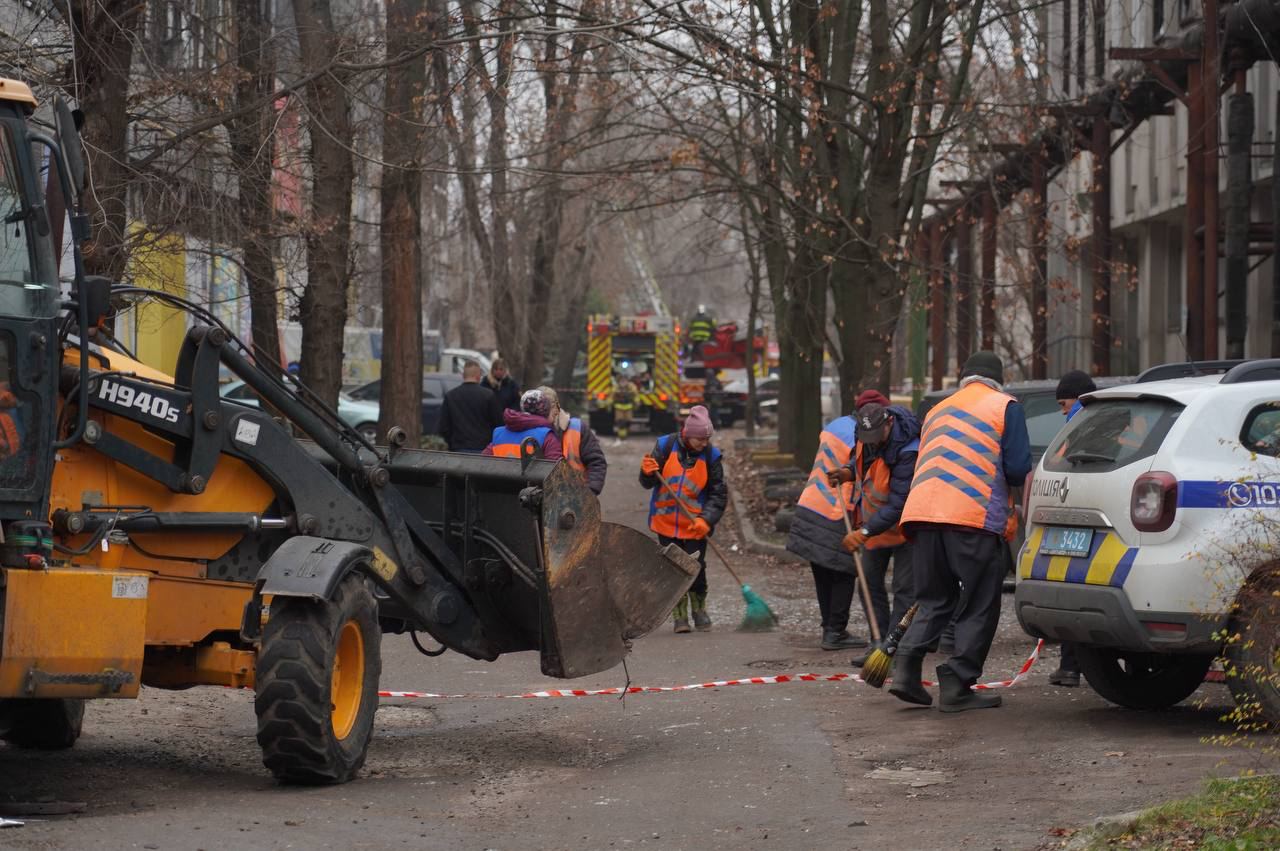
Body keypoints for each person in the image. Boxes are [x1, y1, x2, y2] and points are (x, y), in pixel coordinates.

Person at [888, 351, 1032, 712]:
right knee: (980, 602)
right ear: (998, 380)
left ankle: (905, 669)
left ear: (964, 378)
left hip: (922, 515)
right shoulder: (1004, 406)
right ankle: (957, 683)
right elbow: (1016, 468)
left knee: (935, 598)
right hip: (972, 518)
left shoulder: (938, 409)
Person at [829, 400, 921, 665]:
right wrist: (847, 473)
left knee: (904, 589)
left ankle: (893, 651)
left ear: (888, 423)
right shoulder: (866, 434)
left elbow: (898, 504)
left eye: (874, 437)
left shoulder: (908, 450)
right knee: (868, 583)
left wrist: (865, 531)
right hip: (875, 526)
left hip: (905, 528)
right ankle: (877, 643)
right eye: (864, 437)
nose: (870, 442)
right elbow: (861, 462)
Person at [786, 405, 869, 651]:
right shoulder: (860, 436)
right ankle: (835, 632)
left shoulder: (836, 425)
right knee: (844, 571)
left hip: (812, 501)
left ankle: (829, 627)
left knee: (823, 571)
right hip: (836, 508)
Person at [639, 405, 727, 634]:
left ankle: (699, 610)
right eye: (700, 439)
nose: (704, 443)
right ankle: (679, 616)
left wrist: (706, 520)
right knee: (673, 569)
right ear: (688, 434)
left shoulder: (711, 457)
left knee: (697, 568)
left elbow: (718, 494)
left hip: (695, 525)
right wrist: (646, 472)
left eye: (707, 438)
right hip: (665, 523)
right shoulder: (665, 447)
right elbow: (648, 483)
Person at [1048, 369, 1096, 688]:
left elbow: (1064, 469)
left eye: (1063, 402)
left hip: (1075, 520)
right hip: (1096, 520)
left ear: (1077, 398)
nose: (1061, 410)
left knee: (1071, 595)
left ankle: (1070, 667)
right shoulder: (1107, 421)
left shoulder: (1079, 423)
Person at [541, 386, 608, 494]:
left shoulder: (577, 428)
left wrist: (590, 492)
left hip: (577, 495)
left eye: (547, 407)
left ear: (557, 407)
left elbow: (596, 461)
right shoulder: (531, 431)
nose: (543, 412)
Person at [438, 361, 503, 453]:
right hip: (484, 449)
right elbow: (498, 424)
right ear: (478, 375)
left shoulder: (451, 396)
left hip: (459, 448)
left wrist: (452, 443)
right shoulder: (488, 395)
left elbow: (443, 427)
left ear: (463, 375)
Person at [483, 388, 564, 460]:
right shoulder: (547, 436)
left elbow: (483, 462)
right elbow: (556, 471)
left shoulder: (498, 434)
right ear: (546, 410)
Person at [613, 372, 638, 441]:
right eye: (622, 380)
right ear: (619, 380)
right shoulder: (616, 387)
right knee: (620, 421)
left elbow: (635, 394)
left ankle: (625, 432)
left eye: (625, 380)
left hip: (628, 407)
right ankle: (622, 435)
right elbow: (612, 396)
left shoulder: (631, 386)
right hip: (619, 407)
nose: (623, 381)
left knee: (628, 421)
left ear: (627, 380)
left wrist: (636, 402)